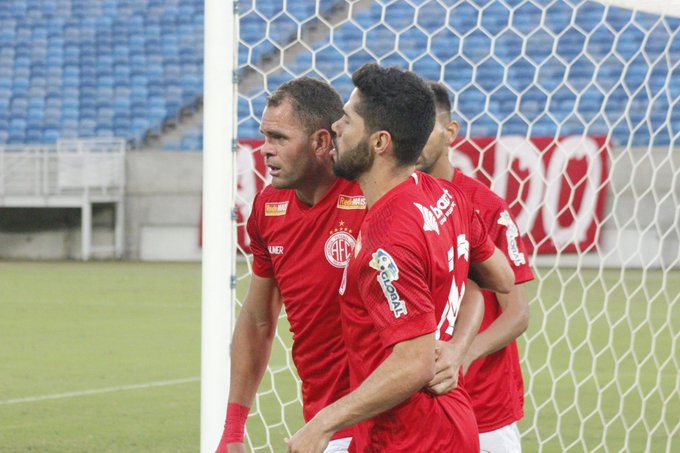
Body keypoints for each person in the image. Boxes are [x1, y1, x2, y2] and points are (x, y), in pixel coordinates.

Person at [285, 64, 514, 453]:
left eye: (347, 120)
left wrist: (322, 425)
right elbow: (496, 279)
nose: (336, 128)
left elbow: (413, 362)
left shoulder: (386, 242)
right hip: (446, 424)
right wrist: (455, 347)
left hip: (412, 437)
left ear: (379, 143)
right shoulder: (443, 195)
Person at [215, 77, 365, 453]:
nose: (265, 150)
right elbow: (258, 319)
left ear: (321, 142)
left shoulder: (373, 193)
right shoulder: (268, 209)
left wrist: (458, 349)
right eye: (264, 137)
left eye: (279, 138)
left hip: (393, 418)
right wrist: (233, 429)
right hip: (322, 422)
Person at [417, 80, 535, 452]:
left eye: (425, 128)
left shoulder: (485, 206)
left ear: (450, 131)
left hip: (485, 406)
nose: (414, 138)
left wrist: (461, 355)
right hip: (416, 405)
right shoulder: (396, 206)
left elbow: (516, 313)